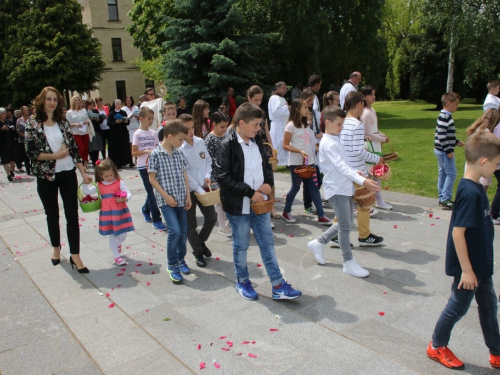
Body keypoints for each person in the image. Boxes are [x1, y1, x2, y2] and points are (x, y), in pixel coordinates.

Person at [426, 131, 500, 370]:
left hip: (481, 265)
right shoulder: (469, 192)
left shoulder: (475, 187)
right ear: (484, 162)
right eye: (497, 163)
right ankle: (437, 346)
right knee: (458, 307)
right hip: (470, 268)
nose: (498, 167)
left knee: (489, 306)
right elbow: (458, 233)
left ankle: (496, 351)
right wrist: (467, 271)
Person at [216, 102, 302, 301]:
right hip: (239, 206)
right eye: (256, 125)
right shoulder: (227, 145)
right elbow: (223, 177)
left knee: (267, 243)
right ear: (242, 123)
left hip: (260, 204)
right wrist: (249, 192)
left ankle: (278, 284)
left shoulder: (257, 142)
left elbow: (267, 168)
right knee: (241, 245)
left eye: (260, 125)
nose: (259, 129)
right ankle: (242, 281)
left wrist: (268, 184)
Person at [25, 86, 92, 272]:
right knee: (52, 215)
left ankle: (75, 255)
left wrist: (83, 172)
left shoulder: (62, 122)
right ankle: (56, 248)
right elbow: (31, 153)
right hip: (46, 176)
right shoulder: (33, 123)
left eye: (55, 99)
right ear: (42, 101)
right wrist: (55, 156)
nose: (52, 102)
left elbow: (73, 150)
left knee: (72, 215)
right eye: (48, 99)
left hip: (67, 173)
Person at [308, 106, 380, 277]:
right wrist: (363, 180)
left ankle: (319, 243)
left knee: (344, 223)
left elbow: (344, 164)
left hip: (344, 187)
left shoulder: (335, 138)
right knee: (346, 226)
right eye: (339, 124)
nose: (341, 128)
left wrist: (357, 173)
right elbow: (340, 167)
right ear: (327, 122)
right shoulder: (328, 143)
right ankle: (348, 262)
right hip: (337, 189)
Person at [148, 120, 192, 283]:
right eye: (181, 139)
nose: (182, 143)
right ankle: (172, 264)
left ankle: (181, 259)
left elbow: (184, 174)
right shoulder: (156, 154)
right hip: (166, 200)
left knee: (183, 231)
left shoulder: (179, 153)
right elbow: (152, 179)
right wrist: (166, 196)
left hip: (181, 198)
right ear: (170, 136)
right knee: (174, 230)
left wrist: (188, 195)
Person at [341, 91, 384, 246]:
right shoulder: (357, 124)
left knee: (344, 205)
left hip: (345, 170)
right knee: (365, 204)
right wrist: (376, 158)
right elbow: (358, 151)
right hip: (358, 172)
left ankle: (335, 233)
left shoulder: (341, 122)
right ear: (359, 104)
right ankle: (364, 235)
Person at [282, 98, 331, 225]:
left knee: (314, 188)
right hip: (297, 164)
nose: (307, 109)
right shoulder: (290, 125)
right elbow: (285, 145)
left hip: (310, 163)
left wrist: (321, 150)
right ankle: (286, 211)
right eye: (305, 107)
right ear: (297, 109)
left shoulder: (306, 125)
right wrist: (299, 151)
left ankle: (321, 215)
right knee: (295, 187)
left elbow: (311, 144)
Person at [180, 115, 217, 268]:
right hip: (188, 190)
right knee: (191, 224)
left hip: (203, 186)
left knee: (211, 217)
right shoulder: (179, 148)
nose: (190, 131)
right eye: (186, 128)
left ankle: (200, 242)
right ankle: (197, 252)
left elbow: (207, 160)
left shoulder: (200, 141)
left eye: (192, 127)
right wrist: (198, 188)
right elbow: (185, 172)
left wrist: (207, 176)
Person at [83, 158, 134, 266]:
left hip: (120, 212)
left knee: (123, 235)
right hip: (107, 214)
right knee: (112, 235)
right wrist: (85, 184)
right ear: (101, 175)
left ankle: (118, 244)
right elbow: (87, 191)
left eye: (111, 175)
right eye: (106, 176)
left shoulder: (119, 182)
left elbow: (128, 193)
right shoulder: (99, 184)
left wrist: (125, 198)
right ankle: (117, 256)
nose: (110, 178)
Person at [246, 85, 280, 220]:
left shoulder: (262, 113)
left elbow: (266, 131)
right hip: (251, 145)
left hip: (263, 146)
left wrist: (272, 149)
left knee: (269, 178)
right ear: (249, 98)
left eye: (260, 100)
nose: (258, 103)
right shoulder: (245, 113)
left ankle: (271, 207)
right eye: (255, 100)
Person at [131, 107, 167, 231]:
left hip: (155, 166)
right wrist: (145, 151)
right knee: (152, 194)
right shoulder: (137, 134)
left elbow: (158, 148)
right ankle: (157, 220)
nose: (151, 121)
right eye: (149, 119)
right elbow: (133, 152)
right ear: (141, 119)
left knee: (153, 191)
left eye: (152, 119)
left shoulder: (153, 133)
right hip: (143, 167)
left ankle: (145, 209)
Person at [360, 85, 392, 210]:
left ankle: (377, 200)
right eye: (370, 94)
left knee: (377, 174)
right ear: (364, 97)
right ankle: (371, 200)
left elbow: (375, 131)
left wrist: (383, 137)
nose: (373, 96)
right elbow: (368, 134)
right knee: (372, 174)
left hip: (376, 145)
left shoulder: (371, 111)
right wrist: (382, 139)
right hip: (371, 146)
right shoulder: (366, 113)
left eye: (374, 94)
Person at [434, 92, 464, 210]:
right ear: (449, 103)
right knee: (451, 173)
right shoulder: (445, 116)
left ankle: (442, 197)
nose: (457, 106)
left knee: (443, 173)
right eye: (456, 104)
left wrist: (455, 142)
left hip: (441, 150)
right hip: (444, 151)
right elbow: (441, 135)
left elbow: (446, 134)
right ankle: (445, 198)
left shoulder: (444, 115)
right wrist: (448, 150)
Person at [204, 111, 232, 236]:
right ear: (214, 124)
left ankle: (229, 223)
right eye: (222, 127)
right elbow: (206, 160)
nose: (225, 129)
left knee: (228, 199)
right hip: (215, 175)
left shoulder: (226, 136)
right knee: (219, 201)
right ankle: (221, 226)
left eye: (226, 126)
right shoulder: (209, 139)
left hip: (227, 173)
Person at [300, 88, 324, 214]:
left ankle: (313, 200)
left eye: (312, 100)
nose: (311, 102)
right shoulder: (300, 113)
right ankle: (308, 203)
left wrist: (318, 133)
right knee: (308, 180)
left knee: (317, 179)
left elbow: (315, 126)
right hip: (306, 151)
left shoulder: (313, 112)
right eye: (309, 100)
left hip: (314, 148)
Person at [67, 96, 94, 173]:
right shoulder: (70, 112)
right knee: (81, 148)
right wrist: (75, 124)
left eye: (78, 100)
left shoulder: (83, 110)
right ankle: (79, 163)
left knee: (86, 148)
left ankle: (85, 165)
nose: (77, 101)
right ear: (73, 101)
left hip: (84, 131)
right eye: (76, 100)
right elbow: (67, 124)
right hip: (76, 132)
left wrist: (86, 121)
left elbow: (87, 119)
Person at [268, 81, 290, 166]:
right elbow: (276, 111)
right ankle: (276, 162)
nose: (285, 89)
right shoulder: (274, 98)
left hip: (283, 124)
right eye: (283, 88)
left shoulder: (282, 99)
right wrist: (286, 107)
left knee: (283, 143)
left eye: (286, 88)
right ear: (278, 88)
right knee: (278, 144)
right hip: (277, 125)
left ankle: (284, 163)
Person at [108, 99, 133, 168]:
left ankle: (128, 162)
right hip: (115, 134)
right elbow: (109, 123)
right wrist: (116, 122)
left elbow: (128, 122)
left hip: (123, 132)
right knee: (116, 149)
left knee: (125, 147)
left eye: (120, 104)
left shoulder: (123, 112)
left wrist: (126, 121)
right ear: (115, 105)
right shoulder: (111, 113)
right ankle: (117, 163)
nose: (119, 106)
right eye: (117, 104)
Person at [0, 108, 17, 181]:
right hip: (3, 144)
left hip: (11, 142)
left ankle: (11, 170)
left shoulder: (8, 121)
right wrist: (1, 129)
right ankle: (8, 175)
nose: (5, 114)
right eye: (3, 113)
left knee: (13, 158)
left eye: (5, 113)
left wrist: (13, 129)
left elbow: (13, 131)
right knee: (5, 160)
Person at [16, 106, 31, 175]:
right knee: (25, 156)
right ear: (22, 112)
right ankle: (28, 170)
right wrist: (25, 136)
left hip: (31, 139)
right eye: (24, 110)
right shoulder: (19, 120)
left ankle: (33, 168)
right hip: (23, 140)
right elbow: (18, 131)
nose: (26, 111)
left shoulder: (31, 119)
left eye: (27, 110)